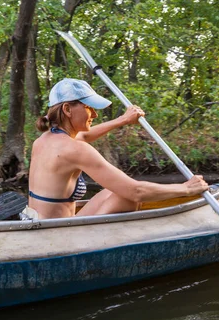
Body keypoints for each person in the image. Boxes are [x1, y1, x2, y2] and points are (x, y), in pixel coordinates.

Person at [28, 78, 208, 220]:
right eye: (89, 108)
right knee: (128, 196)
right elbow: (136, 191)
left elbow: (84, 136)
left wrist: (123, 120)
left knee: (112, 191)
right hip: (56, 235)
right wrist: (186, 189)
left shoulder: (44, 140)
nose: (95, 115)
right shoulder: (76, 150)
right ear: (67, 109)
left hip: (41, 225)